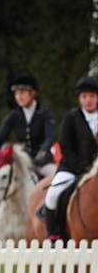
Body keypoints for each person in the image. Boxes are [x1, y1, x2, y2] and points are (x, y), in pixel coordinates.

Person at [42, 75, 98, 242]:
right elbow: (66, 147)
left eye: (92, 96)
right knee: (53, 194)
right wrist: (84, 168)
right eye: (84, 96)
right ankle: (54, 233)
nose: (88, 100)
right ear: (79, 99)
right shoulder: (71, 118)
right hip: (73, 169)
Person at [0, 73, 56, 179]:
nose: (18, 97)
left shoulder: (45, 113)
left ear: (33, 93)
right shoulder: (13, 115)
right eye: (16, 93)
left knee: (57, 178)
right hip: (22, 161)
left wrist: (43, 152)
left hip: (42, 162)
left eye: (22, 93)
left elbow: (51, 137)